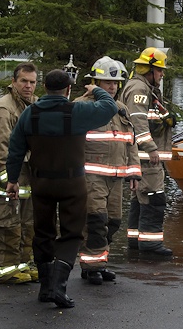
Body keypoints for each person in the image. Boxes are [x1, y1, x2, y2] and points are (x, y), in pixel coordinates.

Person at [6, 69, 118, 308]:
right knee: (71, 234)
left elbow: (15, 149)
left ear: (43, 87)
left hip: (41, 184)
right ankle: (59, 287)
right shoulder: (77, 111)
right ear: (68, 90)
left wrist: (12, 180)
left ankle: (46, 289)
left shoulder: (30, 113)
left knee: (43, 232)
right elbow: (110, 107)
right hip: (72, 184)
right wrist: (94, 89)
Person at [75, 57, 141, 285]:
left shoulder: (121, 109)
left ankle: (100, 262)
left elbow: (130, 142)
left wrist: (134, 172)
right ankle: (90, 267)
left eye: (115, 83)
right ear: (94, 82)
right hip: (91, 176)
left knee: (113, 221)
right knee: (95, 220)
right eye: (106, 82)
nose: (112, 87)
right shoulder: (82, 106)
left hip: (116, 176)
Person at [0, 62, 38, 285]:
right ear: (13, 82)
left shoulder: (30, 105)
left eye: (32, 82)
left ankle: (22, 265)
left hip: (24, 181)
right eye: (24, 81)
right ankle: (5, 270)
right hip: (5, 183)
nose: (28, 86)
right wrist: (9, 180)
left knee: (25, 226)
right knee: (5, 225)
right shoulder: (4, 109)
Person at [120, 47, 174, 256]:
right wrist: (151, 149)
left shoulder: (142, 87)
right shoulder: (139, 90)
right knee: (154, 197)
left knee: (140, 198)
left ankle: (136, 240)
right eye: (159, 70)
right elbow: (138, 122)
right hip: (145, 157)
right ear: (149, 69)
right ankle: (151, 244)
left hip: (139, 156)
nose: (162, 74)